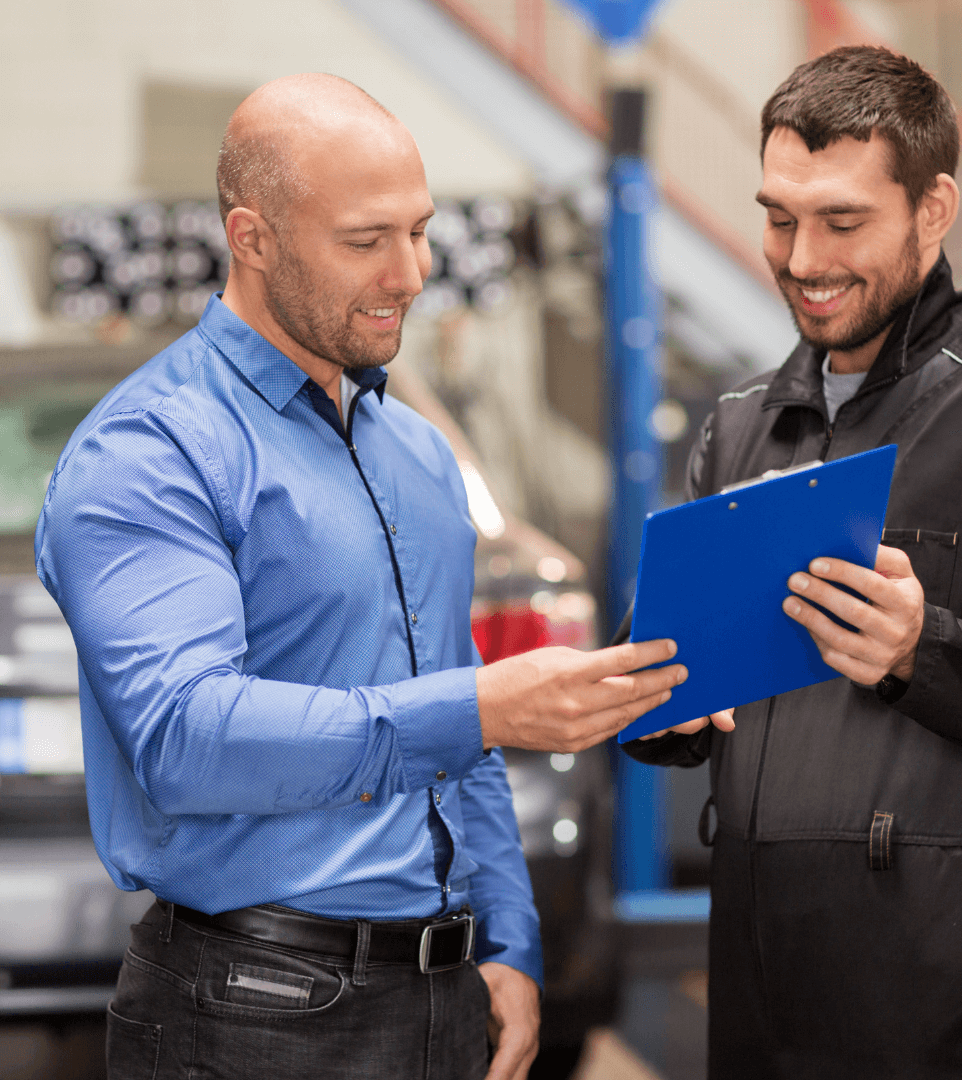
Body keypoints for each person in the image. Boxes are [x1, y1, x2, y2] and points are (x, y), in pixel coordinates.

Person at [35, 74, 688, 1080]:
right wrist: (474, 707)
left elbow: (459, 738)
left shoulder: (418, 459)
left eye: (419, 232)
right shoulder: (152, 450)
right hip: (250, 1012)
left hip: (436, 994)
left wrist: (507, 939)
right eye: (365, 240)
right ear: (249, 238)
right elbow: (185, 738)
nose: (410, 273)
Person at [623, 46, 962, 1079]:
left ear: (934, 208)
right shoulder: (738, 426)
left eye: (843, 221)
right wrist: (658, 694)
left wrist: (928, 650)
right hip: (750, 964)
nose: (801, 257)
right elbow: (656, 680)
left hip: (943, 979)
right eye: (780, 217)